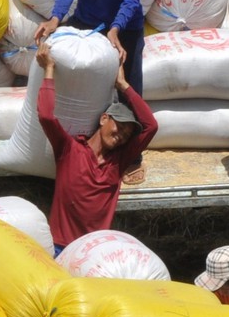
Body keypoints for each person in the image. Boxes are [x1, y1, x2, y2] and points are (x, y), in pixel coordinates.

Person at [35, 40, 158, 251]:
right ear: (103, 119)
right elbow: (46, 116)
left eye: (127, 134)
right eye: (119, 127)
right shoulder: (70, 150)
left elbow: (151, 126)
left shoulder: (117, 163)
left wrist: (123, 85)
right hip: (61, 246)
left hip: (96, 249)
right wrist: (49, 70)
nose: (121, 135)